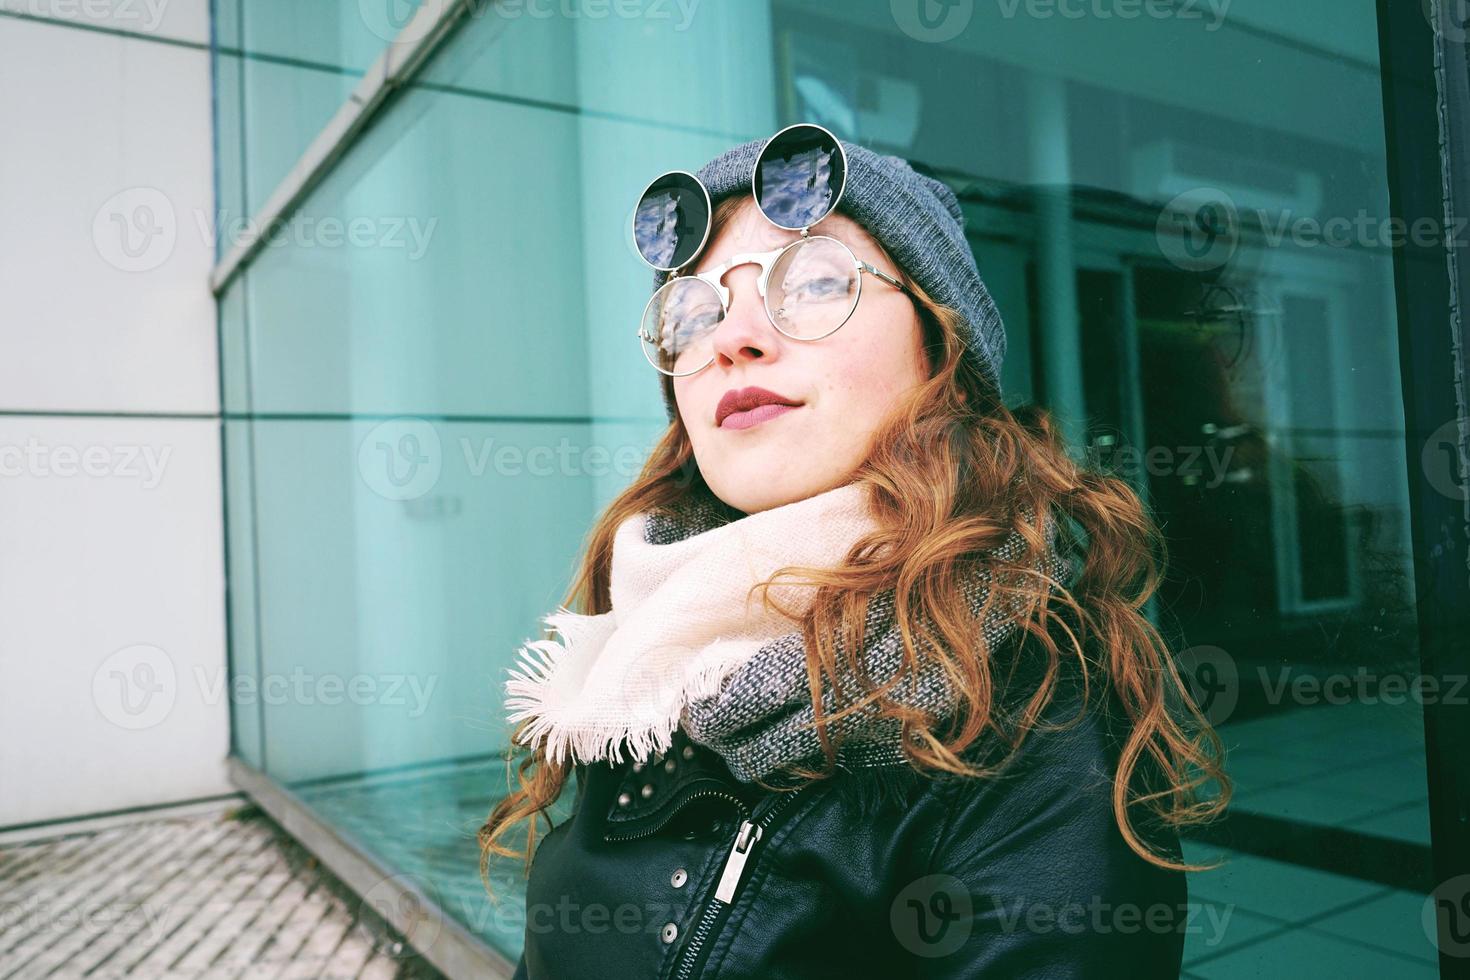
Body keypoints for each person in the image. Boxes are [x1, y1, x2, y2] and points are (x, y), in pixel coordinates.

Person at [480, 124, 1230, 979]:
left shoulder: (1034, 713)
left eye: (815, 281)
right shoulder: (641, 648)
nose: (732, 338)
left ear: (941, 349)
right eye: (694, 311)